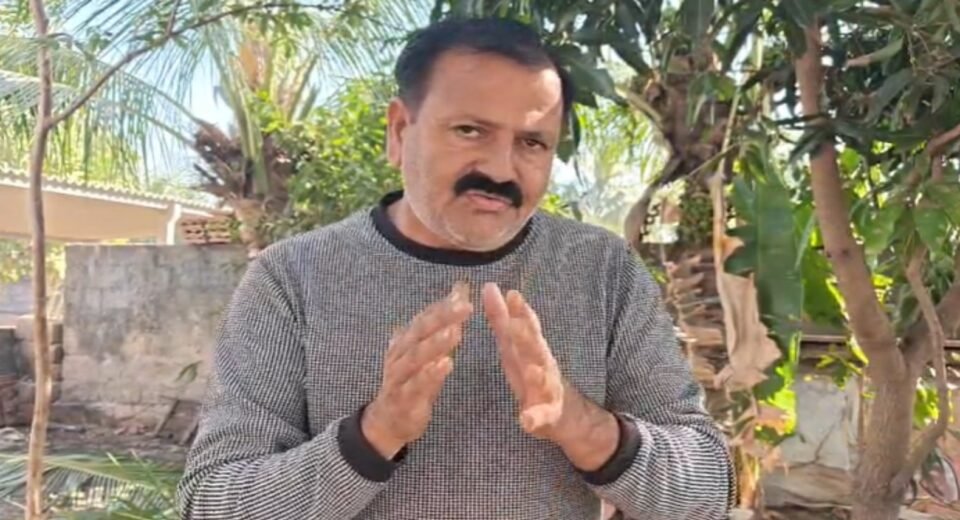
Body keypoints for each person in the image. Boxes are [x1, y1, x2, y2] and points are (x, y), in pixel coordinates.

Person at [176, 16, 735, 520]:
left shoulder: (603, 271)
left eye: (532, 142)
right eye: (470, 130)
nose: (500, 169)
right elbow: (215, 501)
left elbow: (708, 489)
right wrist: (373, 436)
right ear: (400, 131)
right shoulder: (293, 277)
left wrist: (582, 426)